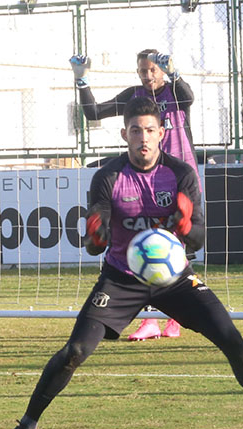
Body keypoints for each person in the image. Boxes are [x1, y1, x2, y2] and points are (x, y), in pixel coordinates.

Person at [0, 98, 243, 429]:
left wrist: (186, 224)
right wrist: (96, 234)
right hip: (121, 279)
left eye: (150, 130)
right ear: (124, 134)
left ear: (161, 133)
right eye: (136, 131)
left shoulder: (181, 174)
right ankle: (25, 426)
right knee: (75, 351)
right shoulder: (108, 176)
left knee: (232, 340)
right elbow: (95, 244)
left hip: (175, 279)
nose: (143, 138)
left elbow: (199, 239)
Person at [70, 49, 198, 341]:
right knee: (145, 247)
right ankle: (152, 319)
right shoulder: (135, 96)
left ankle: (174, 317)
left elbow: (188, 98)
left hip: (177, 179)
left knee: (176, 247)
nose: (148, 76)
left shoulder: (175, 92)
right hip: (141, 178)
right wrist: (82, 80)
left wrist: (175, 73)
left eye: (154, 70)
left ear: (163, 71)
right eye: (143, 71)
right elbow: (94, 113)